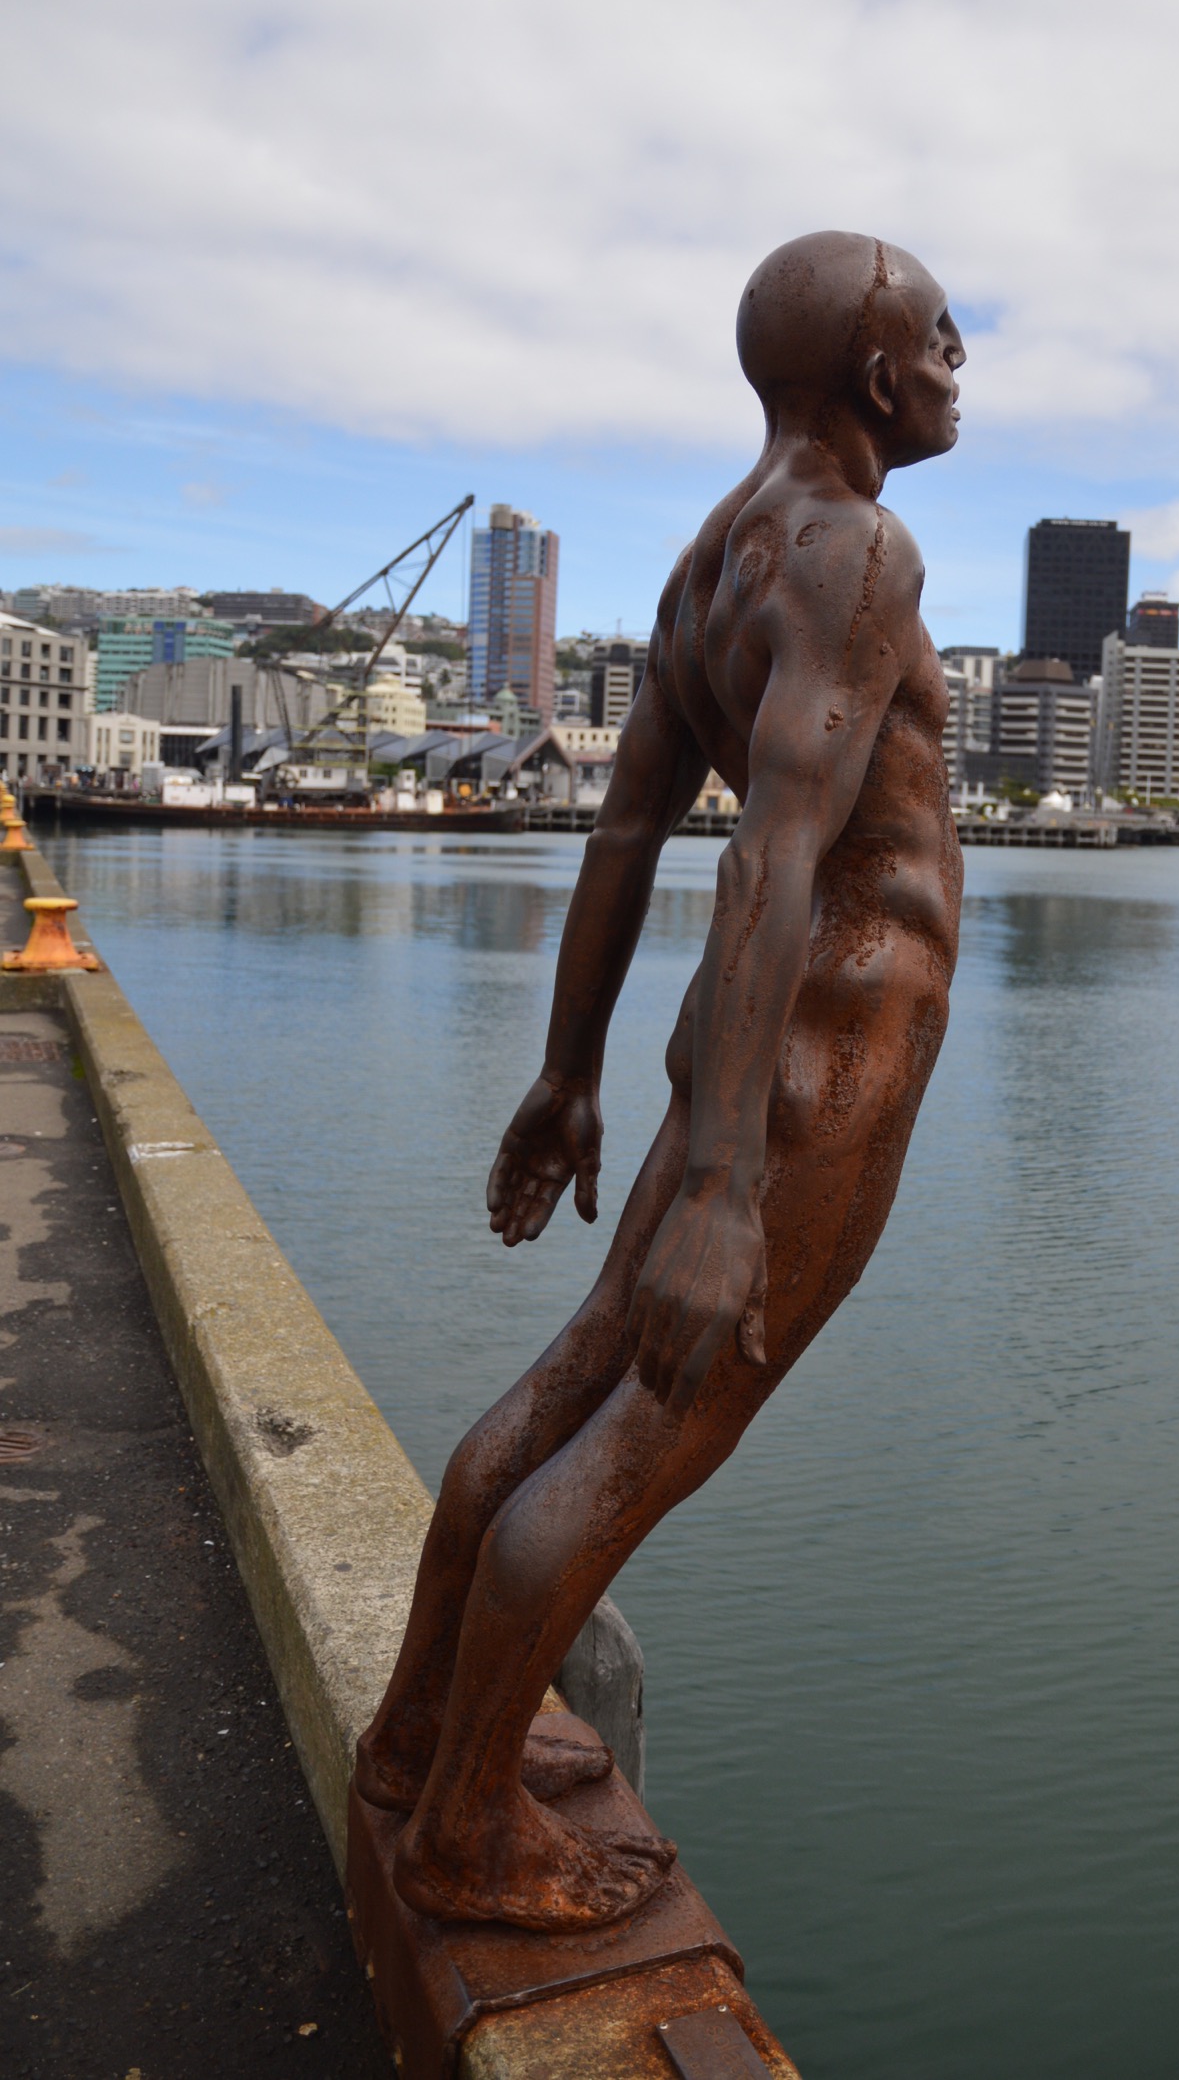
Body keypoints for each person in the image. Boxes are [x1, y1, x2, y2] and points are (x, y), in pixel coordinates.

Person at [357, 230, 966, 1929]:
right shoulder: (857, 555)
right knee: (645, 1439)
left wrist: (572, 1074)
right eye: (941, 338)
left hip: (736, 1049)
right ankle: (469, 1830)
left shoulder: (714, 562)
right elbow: (774, 843)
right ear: (868, 371)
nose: (956, 365)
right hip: (823, 1054)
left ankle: (425, 1734)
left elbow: (629, 830)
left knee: (570, 1388)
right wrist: (722, 1191)